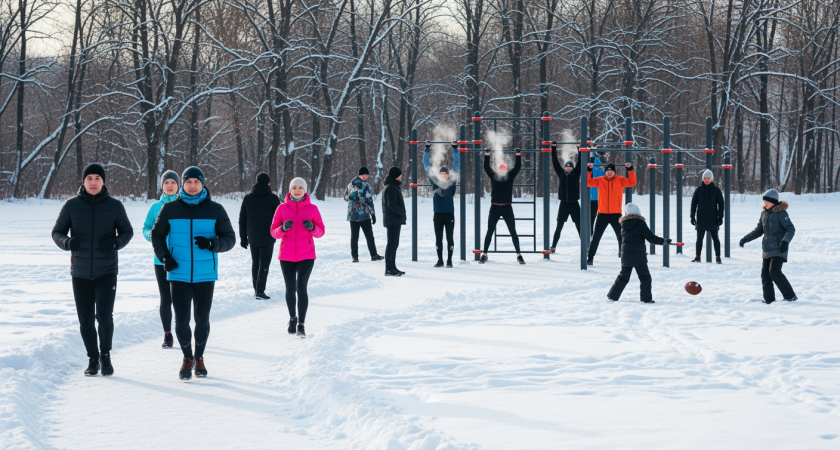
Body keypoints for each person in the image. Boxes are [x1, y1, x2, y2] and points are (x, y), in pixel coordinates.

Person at [151, 166, 236, 380]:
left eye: (196, 182)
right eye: (188, 182)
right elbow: (156, 235)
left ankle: (200, 357)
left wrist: (212, 243)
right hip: (177, 273)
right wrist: (165, 258)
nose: (192, 186)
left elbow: (230, 239)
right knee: (181, 320)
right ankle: (187, 358)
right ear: (183, 184)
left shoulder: (215, 209)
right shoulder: (170, 209)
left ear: (202, 184)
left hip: (205, 274)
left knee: (202, 319)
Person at [52, 164, 134, 376]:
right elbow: (57, 232)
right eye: (90, 178)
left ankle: (105, 356)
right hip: (79, 273)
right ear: (84, 181)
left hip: (107, 272)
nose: (94, 182)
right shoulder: (71, 205)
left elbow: (127, 231)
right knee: (86, 320)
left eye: (98, 178)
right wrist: (67, 242)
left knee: (104, 317)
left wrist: (115, 243)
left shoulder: (115, 206)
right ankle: (93, 358)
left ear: (103, 181)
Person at [270, 177, 325, 337]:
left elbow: (321, 231)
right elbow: (273, 231)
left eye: (300, 187)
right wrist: (283, 228)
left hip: (306, 255)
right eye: (294, 187)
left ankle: (301, 324)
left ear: (305, 190)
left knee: (301, 287)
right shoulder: (281, 209)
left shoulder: (313, 208)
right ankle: (292, 318)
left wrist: (313, 227)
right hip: (286, 255)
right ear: (290, 190)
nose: (297, 190)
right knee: (290, 289)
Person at [739, 189, 797, 304]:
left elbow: (790, 228)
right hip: (767, 249)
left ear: (773, 201)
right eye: (764, 201)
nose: (765, 203)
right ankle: (769, 299)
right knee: (765, 275)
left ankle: (790, 296)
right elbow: (759, 230)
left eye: (767, 201)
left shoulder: (781, 213)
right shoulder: (764, 214)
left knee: (774, 272)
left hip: (779, 248)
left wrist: (785, 242)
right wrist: (746, 238)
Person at [143, 170, 180, 348]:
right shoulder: (155, 207)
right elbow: (146, 227)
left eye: (173, 182)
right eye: (166, 183)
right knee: (166, 298)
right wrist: (151, 236)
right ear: (162, 186)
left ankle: (183, 330)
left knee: (181, 298)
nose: (170, 186)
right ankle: (167, 334)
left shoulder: (183, 204)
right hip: (161, 260)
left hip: (182, 259)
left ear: (178, 185)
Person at [607, 203, 669, 303]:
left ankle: (612, 296)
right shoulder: (640, 223)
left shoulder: (622, 225)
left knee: (623, 277)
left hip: (626, 255)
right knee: (645, 278)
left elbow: (621, 240)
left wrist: (624, 253)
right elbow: (651, 238)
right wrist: (664, 241)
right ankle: (646, 299)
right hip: (639, 256)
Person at [239, 172, 281, 300]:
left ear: (256, 182)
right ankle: (260, 291)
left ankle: (256, 289)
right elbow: (279, 218)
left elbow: (242, 219)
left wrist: (243, 238)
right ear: (268, 183)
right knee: (264, 264)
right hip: (268, 236)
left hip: (253, 236)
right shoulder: (273, 198)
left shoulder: (248, 198)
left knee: (255, 263)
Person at [586, 161, 636, 265]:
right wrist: (589, 170)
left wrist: (630, 169)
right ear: (605, 172)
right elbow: (588, 182)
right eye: (607, 170)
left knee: (621, 236)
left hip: (616, 214)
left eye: (611, 170)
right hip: (602, 214)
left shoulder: (620, 180)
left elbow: (632, 182)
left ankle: (623, 256)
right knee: (596, 237)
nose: (609, 172)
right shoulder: (600, 180)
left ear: (614, 172)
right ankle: (590, 258)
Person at [479, 150, 524, 264]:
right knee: (490, 231)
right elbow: (486, 167)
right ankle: (484, 254)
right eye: (501, 168)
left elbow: (517, 167)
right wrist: (487, 155)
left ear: (506, 169)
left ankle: (519, 254)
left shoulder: (510, 176)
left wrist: (518, 155)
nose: (502, 170)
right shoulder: (494, 176)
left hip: (507, 208)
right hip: (494, 208)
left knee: (513, 231)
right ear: (498, 169)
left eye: (504, 168)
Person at [423, 141, 461, 267]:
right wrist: (427, 148)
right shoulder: (434, 182)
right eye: (441, 173)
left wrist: (455, 148)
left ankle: (449, 260)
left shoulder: (452, 181)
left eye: (445, 173)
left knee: (449, 238)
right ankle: (440, 260)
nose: (443, 175)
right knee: (438, 238)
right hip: (437, 214)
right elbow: (426, 165)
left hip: (449, 214)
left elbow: (457, 164)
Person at [344, 167, 383, 263]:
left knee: (354, 236)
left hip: (352, 214)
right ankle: (374, 255)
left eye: (367, 175)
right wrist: (372, 214)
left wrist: (353, 200)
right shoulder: (365, 185)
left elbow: (345, 198)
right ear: (359, 175)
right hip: (363, 215)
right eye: (364, 175)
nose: (365, 176)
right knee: (369, 235)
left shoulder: (350, 184)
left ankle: (354, 256)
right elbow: (369, 200)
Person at [550, 144, 581, 253]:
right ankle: (553, 246)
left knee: (580, 227)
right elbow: (555, 162)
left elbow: (580, 161)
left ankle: (585, 247)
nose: (568, 168)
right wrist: (553, 148)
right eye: (567, 166)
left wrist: (579, 148)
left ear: (572, 168)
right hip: (564, 204)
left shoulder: (576, 174)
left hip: (574, 204)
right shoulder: (561, 174)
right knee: (559, 227)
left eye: (570, 166)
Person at [690, 169, 725, 264]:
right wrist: (692, 216)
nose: (706, 180)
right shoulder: (699, 190)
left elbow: (721, 204)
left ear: (711, 179)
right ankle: (697, 257)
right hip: (701, 218)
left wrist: (720, 217)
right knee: (699, 239)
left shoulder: (716, 190)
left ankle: (718, 257)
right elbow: (694, 203)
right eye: (705, 178)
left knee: (715, 238)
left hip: (713, 219)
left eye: (708, 178)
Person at [381, 167, 407, 276]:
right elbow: (392, 205)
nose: (401, 176)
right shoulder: (391, 187)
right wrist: (401, 212)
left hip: (394, 219)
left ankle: (393, 267)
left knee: (394, 244)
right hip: (393, 220)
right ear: (396, 175)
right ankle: (388, 268)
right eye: (400, 175)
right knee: (392, 244)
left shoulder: (393, 186)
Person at [589, 153, 605, 231]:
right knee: (592, 219)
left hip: (597, 199)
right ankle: (592, 233)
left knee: (598, 219)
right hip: (592, 199)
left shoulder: (600, 171)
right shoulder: (587, 170)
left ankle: (594, 234)